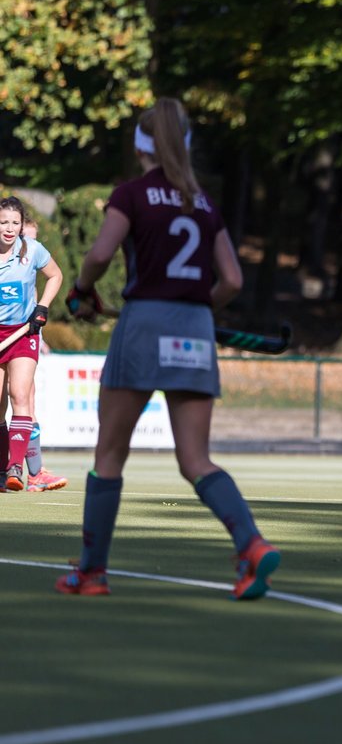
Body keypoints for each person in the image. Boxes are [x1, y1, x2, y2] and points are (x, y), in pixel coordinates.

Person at [58, 97, 280, 599]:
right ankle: (252, 545)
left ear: (140, 148)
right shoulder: (203, 203)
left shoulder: (131, 195)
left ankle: (91, 573)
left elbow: (98, 254)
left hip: (142, 326)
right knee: (196, 459)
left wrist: (82, 290)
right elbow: (232, 280)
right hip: (195, 329)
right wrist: (195, 308)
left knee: (109, 455)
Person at [0, 196, 63, 491]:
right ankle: (3, 471)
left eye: (14, 222)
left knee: (20, 394)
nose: (9, 228)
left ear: (21, 224)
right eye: (3, 222)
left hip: (24, 332)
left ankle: (17, 468)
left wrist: (43, 308)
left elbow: (55, 275)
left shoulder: (31, 250)